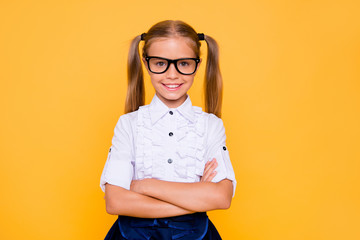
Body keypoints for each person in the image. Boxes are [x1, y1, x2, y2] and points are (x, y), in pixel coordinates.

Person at [100, 20, 236, 240]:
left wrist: (144, 186)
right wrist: (194, 200)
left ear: (197, 65)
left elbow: (221, 198)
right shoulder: (128, 124)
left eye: (183, 63)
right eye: (161, 63)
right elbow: (115, 202)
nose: (172, 74)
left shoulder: (211, 125)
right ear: (146, 64)